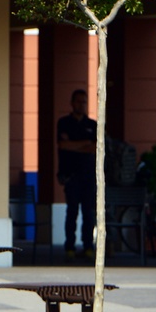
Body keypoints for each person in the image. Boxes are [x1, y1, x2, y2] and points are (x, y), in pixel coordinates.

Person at [57, 89, 96, 261]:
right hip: (71, 175)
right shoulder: (64, 122)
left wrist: (74, 144)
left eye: (84, 102)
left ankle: (88, 247)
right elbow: (63, 145)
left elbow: (94, 147)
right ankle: (70, 248)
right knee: (71, 212)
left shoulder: (92, 125)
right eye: (79, 101)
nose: (82, 105)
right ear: (72, 103)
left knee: (89, 213)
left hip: (89, 175)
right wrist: (83, 144)